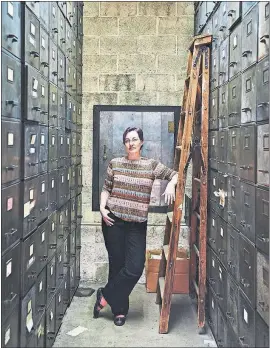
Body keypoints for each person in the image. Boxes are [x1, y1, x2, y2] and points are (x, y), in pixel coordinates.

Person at [93, 126, 178, 326]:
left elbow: (175, 174)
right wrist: (102, 208)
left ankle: (104, 296)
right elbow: (106, 189)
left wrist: (172, 185)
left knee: (134, 268)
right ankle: (119, 311)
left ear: (141, 142)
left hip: (137, 225)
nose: (130, 143)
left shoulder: (150, 165)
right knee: (117, 265)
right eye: (127, 140)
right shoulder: (115, 163)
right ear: (125, 144)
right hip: (113, 221)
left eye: (134, 139)